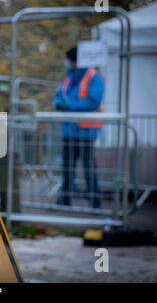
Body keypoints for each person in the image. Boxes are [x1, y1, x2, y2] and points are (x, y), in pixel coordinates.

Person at [53, 46, 105, 208]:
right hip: (69, 129)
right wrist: (58, 102)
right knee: (67, 166)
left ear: (75, 60)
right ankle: (65, 199)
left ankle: (95, 200)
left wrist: (70, 105)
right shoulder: (69, 76)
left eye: (69, 59)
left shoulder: (93, 76)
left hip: (85, 131)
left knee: (88, 165)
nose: (67, 63)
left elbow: (93, 101)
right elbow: (59, 94)